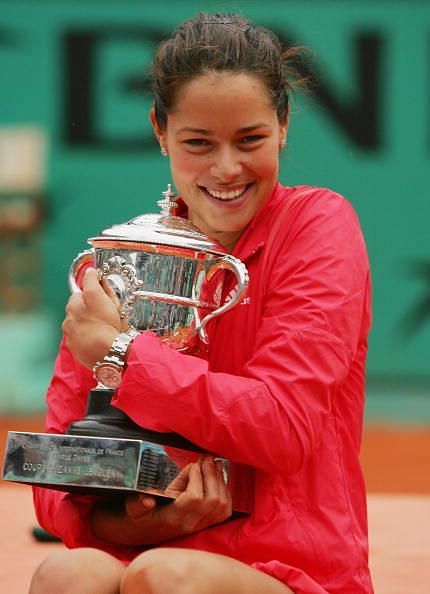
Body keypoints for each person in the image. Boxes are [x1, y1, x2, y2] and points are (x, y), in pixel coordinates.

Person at [29, 12, 374, 594]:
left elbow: (283, 429)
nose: (226, 168)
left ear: (283, 125)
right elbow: (57, 479)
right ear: (160, 132)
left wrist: (121, 354)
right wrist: (144, 521)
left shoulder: (318, 226)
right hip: (145, 552)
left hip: (290, 568)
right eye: (197, 143)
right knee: (69, 572)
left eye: (250, 140)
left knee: (170, 578)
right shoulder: (117, 261)